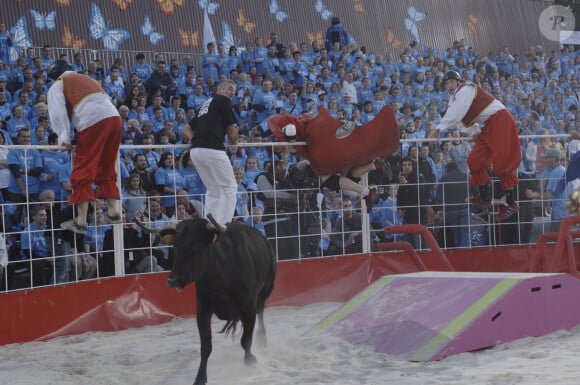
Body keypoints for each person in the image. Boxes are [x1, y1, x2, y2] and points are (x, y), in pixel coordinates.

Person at [46, 59, 122, 235]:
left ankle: (80, 221)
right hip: (115, 119)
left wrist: (64, 138)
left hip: (92, 123)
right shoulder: (87, 79)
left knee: (82, 171)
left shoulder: (58, 85)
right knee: (107, 166)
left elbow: (58, 114)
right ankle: (113, 211)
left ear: (54, 77)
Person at [435, 71, 521, 221]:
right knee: (474, 161)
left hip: (500, 121)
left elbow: (458, 112)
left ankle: (511, 203)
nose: (448, 85)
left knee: (503, 164)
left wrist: (439, 128)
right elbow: (462, 118)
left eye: (450, 82)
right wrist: (472, 132)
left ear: (458, 81)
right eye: (446, 83)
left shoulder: (466, 89)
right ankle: (485, 197)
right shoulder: (455, 97)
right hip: (489, 124)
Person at [182, 79, 238, 232]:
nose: (232, 92)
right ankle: (224, 223)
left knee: (213, 188)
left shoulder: (206, 104)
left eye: (234, 90)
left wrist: (194, 139)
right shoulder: (223, 101)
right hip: (213, 149)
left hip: (196, 151)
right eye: (230, 88)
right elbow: (231, 131)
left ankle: (210, 221)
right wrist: (235, 143)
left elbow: (186, 128)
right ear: (219, 89)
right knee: (229, 187)